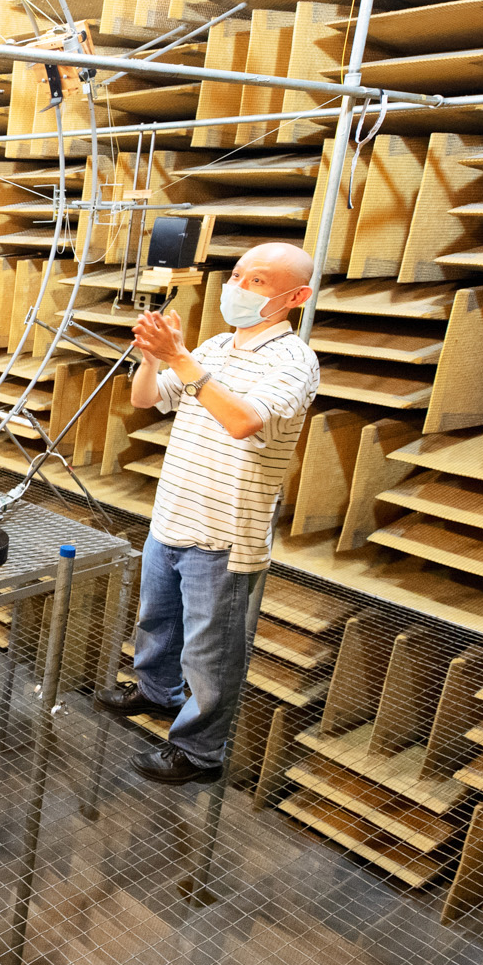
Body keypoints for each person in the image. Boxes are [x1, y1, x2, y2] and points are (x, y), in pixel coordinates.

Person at [94, 242, 321, 784]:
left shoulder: (296, 362)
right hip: (172, 513)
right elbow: (148, 400)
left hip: (225, 533)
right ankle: (156, 692)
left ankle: (199, 752)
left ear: (297, 296)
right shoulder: (216, 347)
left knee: (210, 653)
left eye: (259, 281)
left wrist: (180, 359)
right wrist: (152, 360)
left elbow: (243, 421)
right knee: (157, 622)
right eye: (238, 274)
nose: (238, 287)